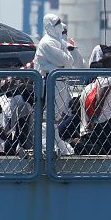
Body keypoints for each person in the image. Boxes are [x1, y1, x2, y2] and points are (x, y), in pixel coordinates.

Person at [34, 13, 74, 154]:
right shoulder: (47, 42)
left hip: (60, 82)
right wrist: (66, 56)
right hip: (50, 84)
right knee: (47, 116)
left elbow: (69, 62)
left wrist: (66, 57)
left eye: (59, 22)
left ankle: (55, 144)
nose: (58, 26)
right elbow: (64, 60)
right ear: (49, 25)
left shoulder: (58, 41)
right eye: (55, 23)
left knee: (56, 118)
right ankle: (46, 147)